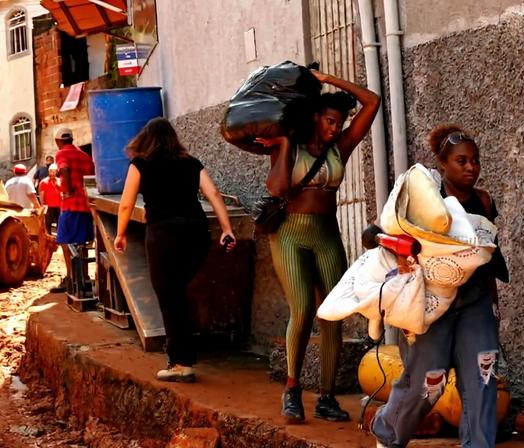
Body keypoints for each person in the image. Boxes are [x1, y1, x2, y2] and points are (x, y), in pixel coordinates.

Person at [371, 125, 509, 448]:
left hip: (475, 302)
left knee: (483, 374)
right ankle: (388, 435)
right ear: (442, 164)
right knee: (428, 381)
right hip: (433, 305)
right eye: (461, 161)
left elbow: (488, 258)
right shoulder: (426, 200)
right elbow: (389, 234)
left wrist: (493, 306)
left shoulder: (484, 202)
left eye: (475, 160)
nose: (471, 167)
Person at [256, 69, 380, 423]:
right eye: (328, 121)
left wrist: (328, 78)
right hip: (290, 235)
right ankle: (292, 391)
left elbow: (371, 101)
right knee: (302, 309)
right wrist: (281, 145)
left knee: (335, 314)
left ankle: (326, 397)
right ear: (314, 118)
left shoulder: (339, 148)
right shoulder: (290, 145)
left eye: (339, 123)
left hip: (327, 234)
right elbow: (278, 189)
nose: (334, 129)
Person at [114, 117, 237, 383]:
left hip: (163, 236)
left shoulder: (140, 164)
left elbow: (125, 204)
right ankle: (183, 355)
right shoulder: (191, 163)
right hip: (196, 234)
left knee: (169, 298)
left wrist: (121, 233)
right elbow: (213, 193)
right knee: (179, 294)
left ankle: (181, 363)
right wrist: (227, 229)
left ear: (146, 139)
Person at [51, 127, 94, 293]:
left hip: (71, 205)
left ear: (58, 141)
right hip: (86, 206)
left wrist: (66, 191)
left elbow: (64, 169)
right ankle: (85, 277)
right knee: (81, 244)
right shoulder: (85, 156)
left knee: (65, 242)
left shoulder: (62, 153)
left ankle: (71, 278)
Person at [38, 164, 61, 234]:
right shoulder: (44, 182)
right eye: (51, 171)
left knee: (60, 223)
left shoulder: (60, 181)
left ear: (56, 172)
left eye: (54, 171)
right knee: (48, 223)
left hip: (59, 205)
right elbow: (41, 195)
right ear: (49, 172)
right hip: (48, 206)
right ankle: (48, 238)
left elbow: (63, 191)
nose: (53, 173)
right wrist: (43, 205)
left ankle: (60, 238)